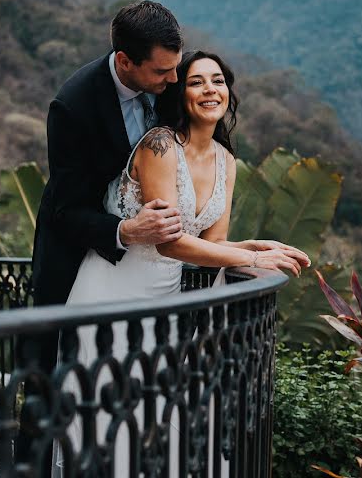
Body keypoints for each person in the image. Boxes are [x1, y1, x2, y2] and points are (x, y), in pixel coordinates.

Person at [52, 50, 309, 475]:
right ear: (180, 93)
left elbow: (213, 243)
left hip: (165, 303)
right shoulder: (159, 145)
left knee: (151, 421)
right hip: (113, 292)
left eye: (218, 81)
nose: (210, 89)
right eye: (196, 82)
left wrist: (257, 247)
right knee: (108, 419)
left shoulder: (228, 161)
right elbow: (171, 241)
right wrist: (247, 256)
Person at [22, 0, 186, 469]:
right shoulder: (72, 106)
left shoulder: (171, 77)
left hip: (151, 270)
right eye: (161, 72)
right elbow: (63, 209)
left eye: (175, 68)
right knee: (53, 373)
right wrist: (125, 229)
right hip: (78, 257)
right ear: (124, 61)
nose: (172, 81)